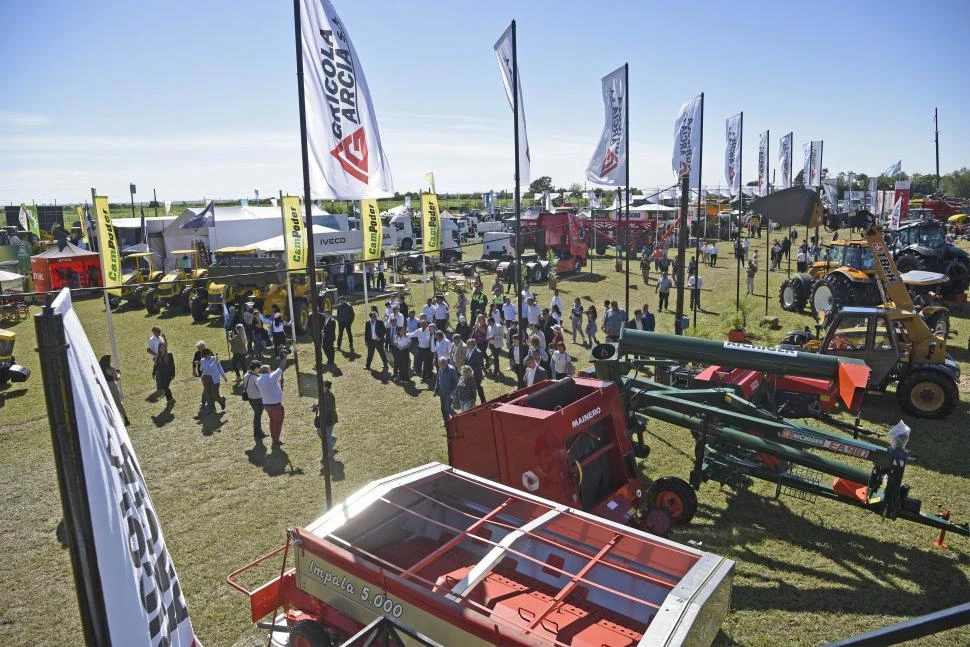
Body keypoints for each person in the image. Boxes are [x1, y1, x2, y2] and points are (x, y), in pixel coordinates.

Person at [256, 356, 288, 447]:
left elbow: (269, 385)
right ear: (268, 371)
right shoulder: (272, 377)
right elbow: (281, 367)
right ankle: (275, 441)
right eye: (270, 369)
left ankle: (274, 437)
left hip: (267, 405)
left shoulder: (258, 380)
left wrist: (277, 382)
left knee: (272, 421)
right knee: (278, 423)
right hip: (275, 406)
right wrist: (284, 357)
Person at [99, 354, 130, 425]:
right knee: (118, 403)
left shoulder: (100, 369)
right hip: (112, 386)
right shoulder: (111, 369)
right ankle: (125, 418)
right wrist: (119, 374)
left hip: (104, 387)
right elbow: (116, 378)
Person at [242, 361, 266, 442]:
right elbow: (261, 389)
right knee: (257, 417)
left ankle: (257, 432)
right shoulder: (255, 378)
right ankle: (258, 433)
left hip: (251, 399)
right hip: (257, 399)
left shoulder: (246, 375)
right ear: (255, 368)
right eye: (259, 368)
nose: (260, 370)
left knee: (257, 415)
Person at [433, 357, 459, 424]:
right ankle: (447, 422)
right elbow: (438, 379)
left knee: (447, 407)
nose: (438, 365)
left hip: (449, 392)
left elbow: (456, 382)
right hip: (442, 392)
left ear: (445, 363)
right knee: (443, 408)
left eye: (439, 364)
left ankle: (457, 418)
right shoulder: (440, 369)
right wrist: (436, 389)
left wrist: (454, 392)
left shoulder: (451, 370)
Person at [317, 380, 338, 460]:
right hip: (323, 418)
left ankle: (329, 452)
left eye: (322, 386)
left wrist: (320, 407)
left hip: (330, 418)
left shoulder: (330, 396)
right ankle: (332, 439)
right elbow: (321, 403)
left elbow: (330, 408)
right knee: (319, 431)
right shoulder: (322, 394)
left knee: (327, 435)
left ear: (326, 387)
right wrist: (316, 406)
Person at [463, 339, 486, 404]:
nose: (466, 345)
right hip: (469, 374)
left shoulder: (478, 352)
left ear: (472, 345)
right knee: (471, 388)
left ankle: (483, 401)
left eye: (467, 344)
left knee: (478, 387)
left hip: (476, 374)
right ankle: (472, 402)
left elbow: (479, 364)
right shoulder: (468, 351)